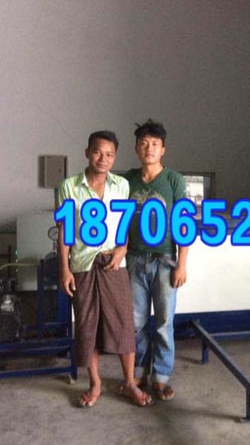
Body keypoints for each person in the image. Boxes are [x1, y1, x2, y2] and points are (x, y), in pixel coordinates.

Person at [57, 130, 152, 407]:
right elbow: (65, 230)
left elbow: (124, 225)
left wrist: (123, 248)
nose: (103, 158)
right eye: (98, 152)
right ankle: (95, 383)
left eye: (109, 154)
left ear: (115, 157)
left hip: (113, 265)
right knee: (88, 325)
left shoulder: (121, 185)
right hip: (83, 264)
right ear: (87, 152)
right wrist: (65, 269)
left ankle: (129, 382)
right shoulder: (69, 186)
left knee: (123, 323)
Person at [125, 119, 189, 401]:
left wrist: (182, 263)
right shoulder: (127, 180)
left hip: (165, 261)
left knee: (164, 322)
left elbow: (183, 224)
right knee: (136, 322)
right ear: (136, 148)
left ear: (163, 149)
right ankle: (138, 372)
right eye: (144, 143)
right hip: (134, 260)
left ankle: (161, 377)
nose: (149, 148)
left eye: (154, 144)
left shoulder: (174, 180)